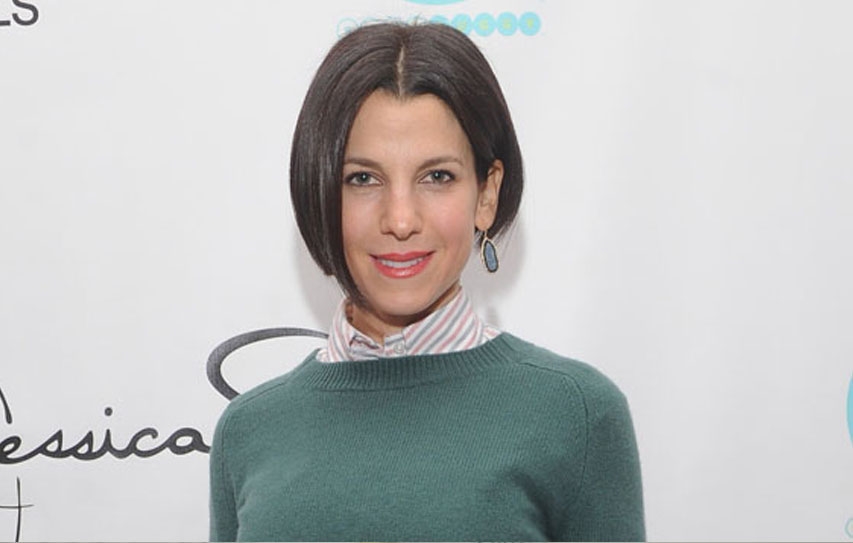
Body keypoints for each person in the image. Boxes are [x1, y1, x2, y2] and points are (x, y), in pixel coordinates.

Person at [209, 21, 644, 542]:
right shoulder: (249, 429)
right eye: (362, 178)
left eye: (437, 177)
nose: (400, 219)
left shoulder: (576, 413)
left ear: (487, 194)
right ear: (320, 193)